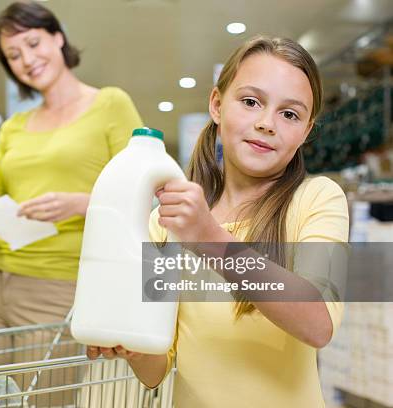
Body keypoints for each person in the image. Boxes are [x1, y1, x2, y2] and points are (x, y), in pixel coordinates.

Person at [87, 36, 349, 407]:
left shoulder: (317, 198)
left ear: (306, 131)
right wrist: (132, 347)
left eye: (289, 114)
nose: (266, 124)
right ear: (216, 104)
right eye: (250, 101)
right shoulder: (166, 221)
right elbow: (158, 368)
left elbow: (318, 323)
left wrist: (209, 237)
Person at [0, 1, 142, 349]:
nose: (27, 61)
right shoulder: (13, 127)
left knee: (43, 396)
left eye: (33, 43)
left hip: (59, 281)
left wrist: (79, 204)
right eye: (13, 55)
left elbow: (145, 194)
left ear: (58, 38)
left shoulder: (110, 104)